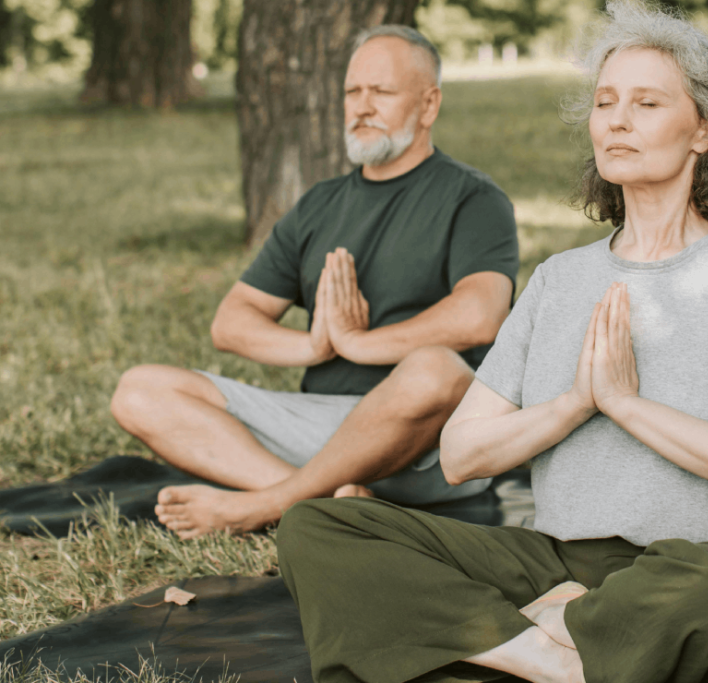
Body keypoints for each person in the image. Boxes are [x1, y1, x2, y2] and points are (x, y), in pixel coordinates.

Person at [276, 3, 708, 682]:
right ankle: (545, 651)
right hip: (558, 563)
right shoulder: (559, 280)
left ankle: (530, 631)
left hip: (707, 567)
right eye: (605, 102)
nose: (617, 120)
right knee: (319, 527)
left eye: (647, 102)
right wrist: (574, 402)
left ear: (705, 129)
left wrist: (626, 405)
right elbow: (459, 454)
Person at [109, 25, 519, 540]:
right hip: (325, 433)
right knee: (139, 390)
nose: (362, 106)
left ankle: (265, 506)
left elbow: (480, 316)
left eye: (382, 92)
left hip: (432, 443)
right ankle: (329, 504)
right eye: (352, 91)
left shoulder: (474, 199)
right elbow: (232, 323)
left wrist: (358, 343)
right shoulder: (319, 205)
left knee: (436, 370)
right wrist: (315, 345)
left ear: (429, 105)